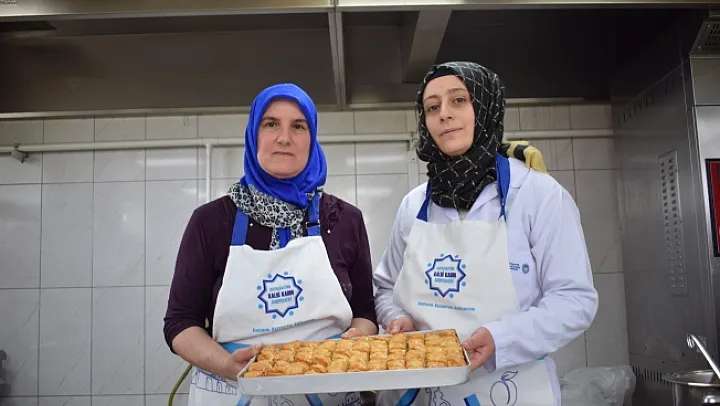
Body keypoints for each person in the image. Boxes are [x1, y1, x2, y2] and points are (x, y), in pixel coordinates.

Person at [373, 62, 599, 406]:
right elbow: (385, 288)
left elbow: (575, 300)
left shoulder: (537, 195)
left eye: (458, 100)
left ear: (486, 107)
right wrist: (396, 317)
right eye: (432, 107)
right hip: (424, 395)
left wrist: (500, 338)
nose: (444, 114)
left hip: (511, 390)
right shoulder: (413, 206)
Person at [163, 83, 377, 406]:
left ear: (312, 138)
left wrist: (355, 339)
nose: (284, 138)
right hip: (233, 389)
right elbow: (180, 323)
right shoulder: (210, 221)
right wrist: (229, 366)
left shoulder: (345, 219)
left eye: (298, 126)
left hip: (328, 388)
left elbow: (365, 313)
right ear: (254, 134)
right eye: (271, 124)